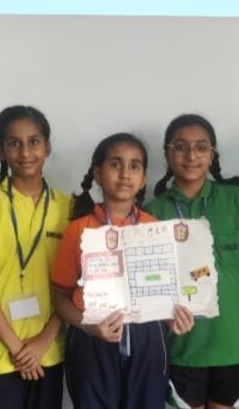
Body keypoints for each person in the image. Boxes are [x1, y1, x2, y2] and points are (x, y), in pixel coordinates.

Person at [51, 132, 195, 409]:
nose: (125, 174)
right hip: (91, 337)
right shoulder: (78, 230)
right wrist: (90, 327)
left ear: (143, 179)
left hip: (147, 339)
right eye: (115, 164)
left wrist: (174, 318)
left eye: (134, 166)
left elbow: (164, 293)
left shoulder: (156, 229)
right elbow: (60, 298)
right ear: (97, 173)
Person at [146, 114, 239, 409]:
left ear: (212, 154)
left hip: (236, 343)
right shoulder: (152, 211)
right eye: (180, 147)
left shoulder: (237, 200)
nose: (191, 156)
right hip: (182, 345)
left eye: (201, 147)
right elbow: (150, 285)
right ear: (167, 154)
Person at [0, 106, 68, 409]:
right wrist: (18, 349)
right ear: (2, 151)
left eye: (34, 141)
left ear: (47, 146)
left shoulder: (68, 207)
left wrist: (41, 343)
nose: (25, 152)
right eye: (14, 143)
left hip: (48, 351)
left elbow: (75, 287)